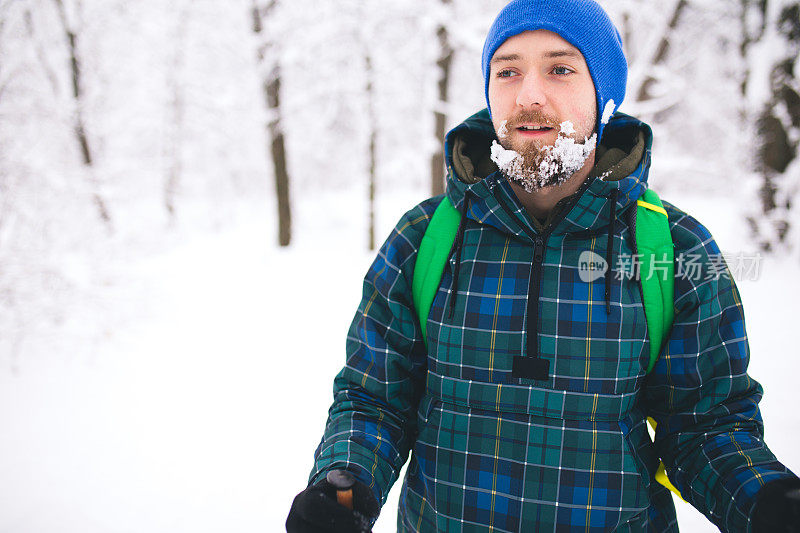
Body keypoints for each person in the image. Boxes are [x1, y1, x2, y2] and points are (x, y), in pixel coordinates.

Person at [286, 0, 800, 531]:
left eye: (560, 69)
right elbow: (375, 400)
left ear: (605, 95)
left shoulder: (674, 249)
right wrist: (342, 485)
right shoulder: (424, 239)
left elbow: (704, 425)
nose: (529, 95)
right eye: (507, 71)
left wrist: (765, 498)